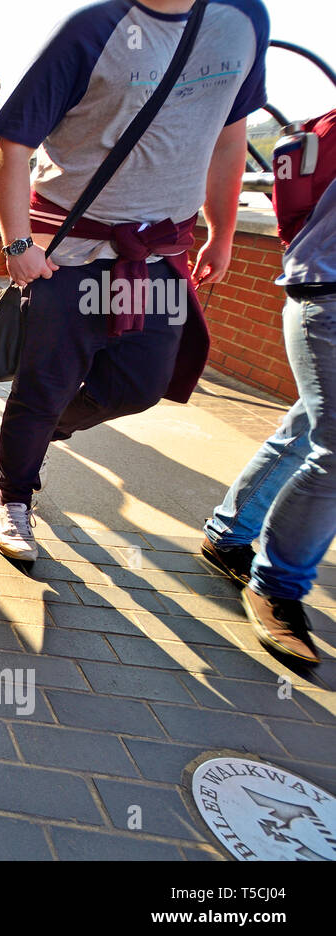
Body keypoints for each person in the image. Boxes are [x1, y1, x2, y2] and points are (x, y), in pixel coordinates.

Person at [0, 0, 268, 561]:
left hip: (155, 254)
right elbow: (13, 144)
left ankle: (40, 430)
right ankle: (15, 495)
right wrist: (18, 245)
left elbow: (230, 137)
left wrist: (224, 232)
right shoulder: (91, 29)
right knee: (43, 385)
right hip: (71, 252)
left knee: (139, 386)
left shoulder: (243, 21)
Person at [200, 180, 336, 666]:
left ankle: (229, 533)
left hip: (321, 284)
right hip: (328, 291)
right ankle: (277, 585)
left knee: (311, 430)